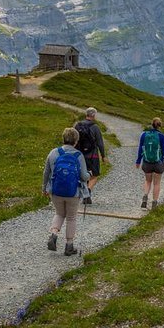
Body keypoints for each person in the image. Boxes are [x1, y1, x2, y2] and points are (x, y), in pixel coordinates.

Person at [43, 127, 90, 256]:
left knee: (59, 214)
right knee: (71, 217)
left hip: (56, 191)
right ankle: (69, 246)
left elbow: (46, 172)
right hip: (72, 192)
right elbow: (84, 176)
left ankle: (53, 234)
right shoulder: (78, 155)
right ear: (76, 140)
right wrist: (89, 175)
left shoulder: (53, 153)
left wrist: (44, 188)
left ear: (63, 138)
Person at [74, 107, 107, 205]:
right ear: (94, 115)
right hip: (93, 156)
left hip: (80, 156)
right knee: (94, 175)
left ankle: (85, 194)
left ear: (86, 114)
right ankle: (87, 191)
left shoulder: (77, 126)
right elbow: (100, 143)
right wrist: (103, 156)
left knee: (83, 176)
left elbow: (73, 141)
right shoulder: (95, 127)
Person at [135, 117, 164, 209]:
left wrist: (138, 161)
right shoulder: (161, 136)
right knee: (157, 183)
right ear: (159, 125)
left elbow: (140, 149)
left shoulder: (144, 135)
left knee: (148, 180)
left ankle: (145, 197)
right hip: (158, 162)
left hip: (147, 162)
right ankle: (154, 203)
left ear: (152, 124)